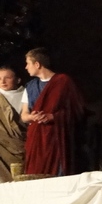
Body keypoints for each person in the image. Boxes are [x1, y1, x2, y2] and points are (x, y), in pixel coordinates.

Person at [20, 48, 86, 176]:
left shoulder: (63, 81)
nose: (26, 67)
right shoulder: (30, 87)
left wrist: (53, 117)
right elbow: (24, 115)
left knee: (57, 175)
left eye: (28, 63)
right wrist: (31, 117)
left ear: (37, 64)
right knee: (36, 174)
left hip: (57, 136)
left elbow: (77, 110)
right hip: (37, 139)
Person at [0, 65, 26, 181]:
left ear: (18, 80)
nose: (3, 82)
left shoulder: (28, 94)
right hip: (4, 145)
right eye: (0, 78)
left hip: (25, 142)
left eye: (7, 78)